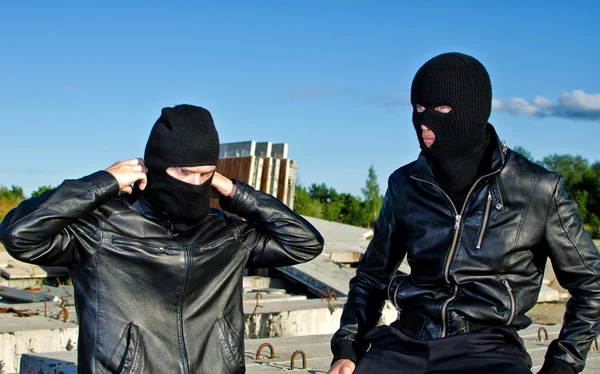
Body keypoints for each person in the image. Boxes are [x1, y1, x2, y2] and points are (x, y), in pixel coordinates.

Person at [328, 53, 600, 374]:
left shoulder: (537, 189)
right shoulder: (405, 184)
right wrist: (347, 348)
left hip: (487, 349)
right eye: (418, 108)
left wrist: (562, 364)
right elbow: (371, 278)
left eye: (442, 108)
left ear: (474, 111)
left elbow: (591, 285)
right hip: (405, 342)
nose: (425, 120)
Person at [0, 104, 324, 374]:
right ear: (156, 167)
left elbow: (305, 242)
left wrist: (234, 191)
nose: (195, 183)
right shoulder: (102, 230)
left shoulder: (226, 233)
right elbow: (19, 235)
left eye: (205, 174)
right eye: (184, 172)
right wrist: (104, 182)